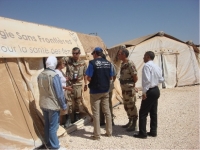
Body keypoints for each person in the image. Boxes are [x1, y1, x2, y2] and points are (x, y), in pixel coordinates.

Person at [38, 56, 67, 149]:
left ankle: (48, 143)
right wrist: (63, 105)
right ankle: (55, 146)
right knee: (53, 127)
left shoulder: (40, 74)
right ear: (54, 63)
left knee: (47, 124)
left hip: (43, 103)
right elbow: (59, 93)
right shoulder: (54, 76)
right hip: (53, 105)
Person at [133, 51, 164, 139]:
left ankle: (142, 133)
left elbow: (146, 81)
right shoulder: (156, 66)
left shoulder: (146, 66)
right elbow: (161, 79)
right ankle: (153, 131)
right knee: (153, 112)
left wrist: (144, 92)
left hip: (150, 90)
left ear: (147, 57)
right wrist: (155, 81)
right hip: (156, 90)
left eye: (144, 56)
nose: (143, 58)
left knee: (143, 112)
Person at [86, 47, 113, 140]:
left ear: (96, 54)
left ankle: (97, 135)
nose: (92, 55)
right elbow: (111, 77)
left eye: (93, 54)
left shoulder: (92, 63)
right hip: (106, 90)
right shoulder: (108, 63)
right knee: (107, 111)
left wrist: (92, 80)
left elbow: (88, 77)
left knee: (96, 113)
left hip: (95, 91)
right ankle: (109, 132)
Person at [63, 47, 88, 122]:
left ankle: (77, 116)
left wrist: (86, 84)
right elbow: (60, 62)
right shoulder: (68, 60)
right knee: (68, 101)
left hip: (78, 84)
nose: (74, 55)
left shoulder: (83, 63)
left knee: (77, 101)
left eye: (76, 53)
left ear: (79, 53)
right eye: (73, 53)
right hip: (69, 84)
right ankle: (69, 119)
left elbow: (85, 74)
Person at [118, 47, 138, 132]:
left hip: (129, 89)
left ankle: (134, 123)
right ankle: (130, 120)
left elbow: (135, 77)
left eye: (119, 54)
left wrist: (131, 85)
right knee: (126, 105)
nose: (118, 55)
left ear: (124, 55)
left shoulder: (130, 63)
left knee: (131, 105)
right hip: (124, 88)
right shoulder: (123, 64)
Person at [55, 57, 73, 128]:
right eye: (63, 63)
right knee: (61, 109)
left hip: (63, 92)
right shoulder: (56, 72)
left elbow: (61, 81)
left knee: (63, 108)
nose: (64, 65)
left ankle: (60, 124)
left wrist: (65, 79)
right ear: (59, 64)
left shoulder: (60, 72)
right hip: (60, 92)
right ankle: (59, 125)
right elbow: (57, 84)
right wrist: (67, 88)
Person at [100, 53, 117, 126]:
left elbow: (114, 75)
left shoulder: (102, 65)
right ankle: (105, 120)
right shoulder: (110, 64)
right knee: (104, 103)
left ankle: (108, 120)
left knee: (105, 103)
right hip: (106, 85)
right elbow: (114, 75)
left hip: (105, 86)